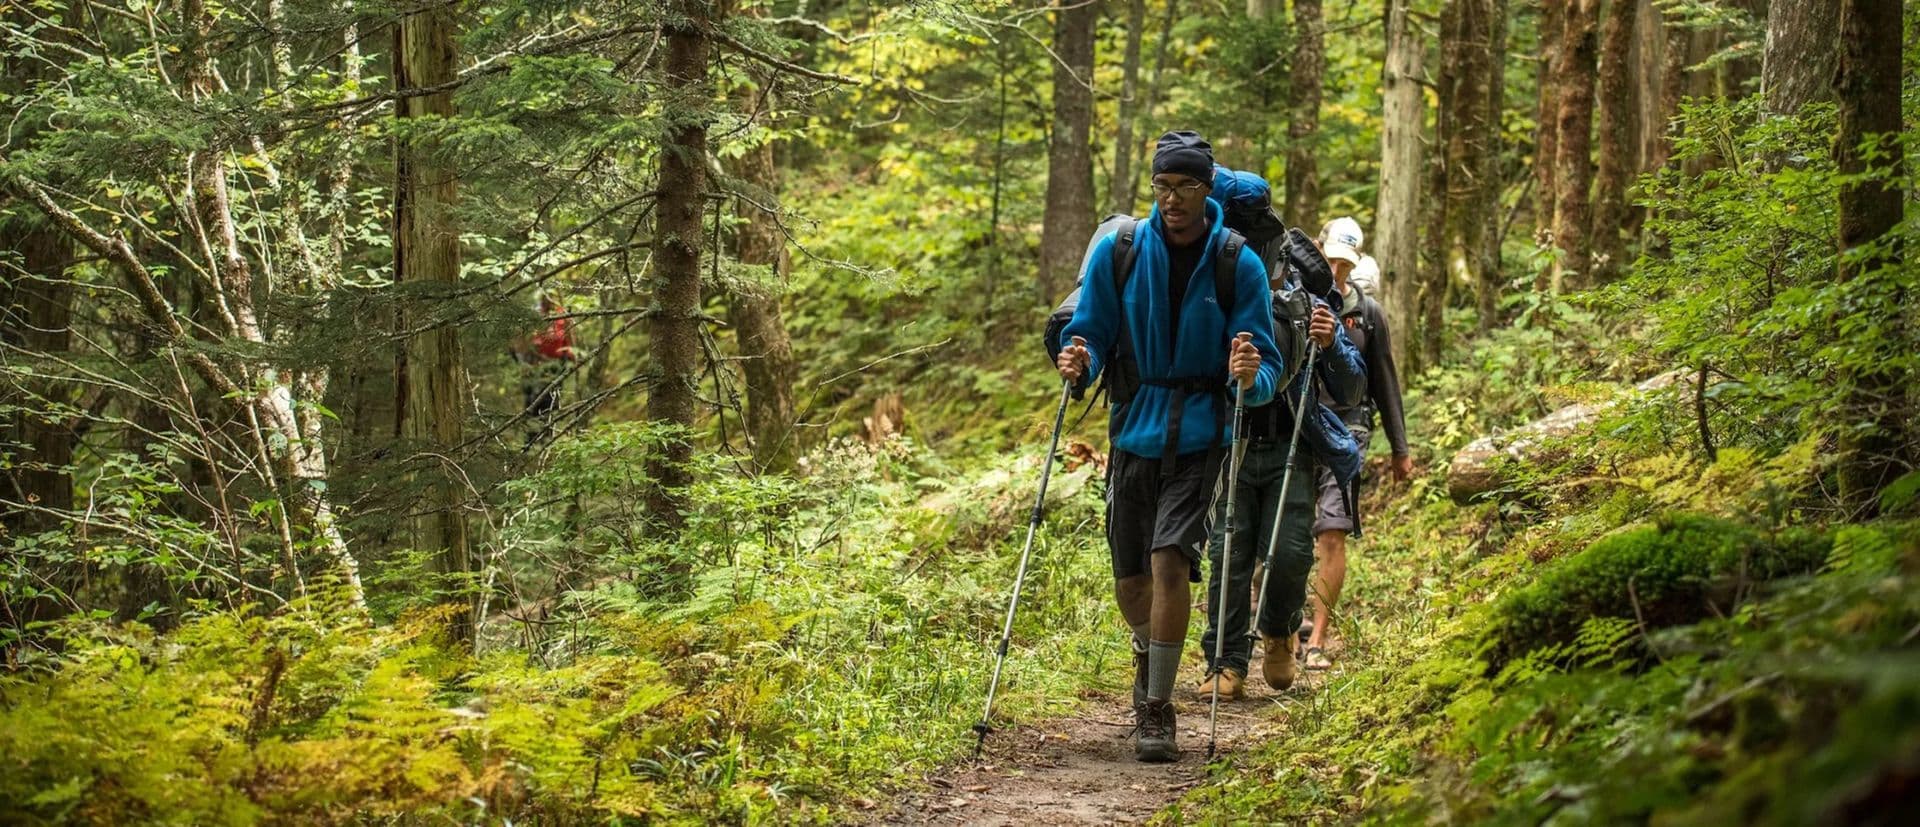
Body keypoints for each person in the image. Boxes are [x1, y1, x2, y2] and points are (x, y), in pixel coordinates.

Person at [1056, 130, 1283, 763]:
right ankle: (1147, 651)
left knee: (1168, 561)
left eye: (1185, 187)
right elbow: (1092, 331)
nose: (1173, 199)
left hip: (1203, 432)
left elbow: (1263, 368)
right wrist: (1079, 358)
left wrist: (1248, 376)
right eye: (1163, 186)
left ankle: (1158, 709)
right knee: (1131, 580)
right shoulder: (1121, 251)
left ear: (1207, 189)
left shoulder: (1238, 261)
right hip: (1133, 427)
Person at [1193, 234, 1367, 700]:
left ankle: (1277, 632)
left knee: (1291, 551)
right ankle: (1224, 659)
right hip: (1232, 443)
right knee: (1228, 551)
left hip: (1291, 445)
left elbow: (1351, 389)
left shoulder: (1307, 302)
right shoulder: (1216, 291)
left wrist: (1331, 345)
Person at [1301, 217, 1411, 671]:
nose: (1338, 271)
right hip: (1301, 425)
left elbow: (1385, 382)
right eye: (1331, 262)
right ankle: (1285, 629)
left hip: (1349, 432)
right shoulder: (1296, 302)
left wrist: (1400, 449)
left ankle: (1318, 639)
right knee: (1291, 534)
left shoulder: (1368, 313)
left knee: (1332, 531)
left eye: (1346, 264)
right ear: (1319, 253)